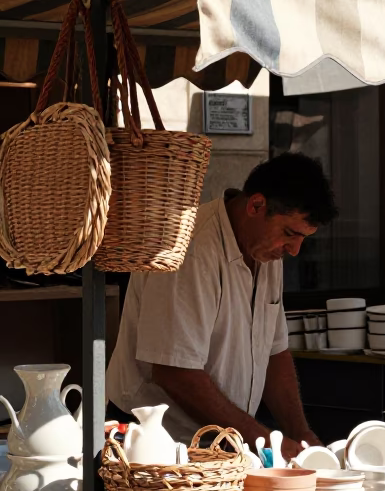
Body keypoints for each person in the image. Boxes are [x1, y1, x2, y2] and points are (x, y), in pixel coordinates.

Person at [106, 152, 337, 460]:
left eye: (303, 239)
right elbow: (175, 371)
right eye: (290, 234)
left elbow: (274, 351)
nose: (294, 250)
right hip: (153, 443)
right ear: (256, 205)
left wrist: (299, 433)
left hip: (225, 439)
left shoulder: (266, 251)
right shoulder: (190, 247)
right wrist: (262, 439)